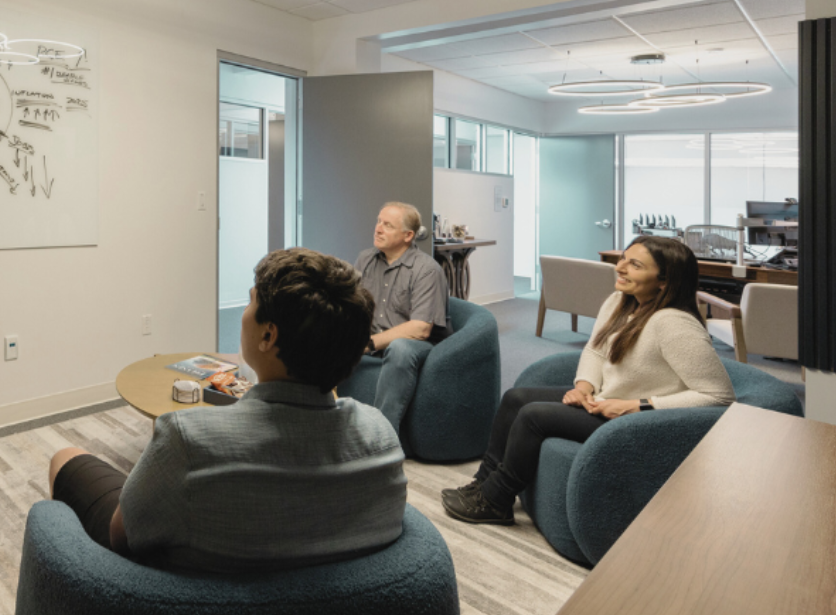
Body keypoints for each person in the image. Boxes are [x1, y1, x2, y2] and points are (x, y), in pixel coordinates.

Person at [47, 248, 408, 573]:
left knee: (65, 457)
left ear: (268, 336)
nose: (244, 312)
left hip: (188, 607)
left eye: (250, 302)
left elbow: (121, 537)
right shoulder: (382, 436)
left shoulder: (185, 439)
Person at [441, 236, 735, 526]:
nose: (620, 268)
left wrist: (636, 406)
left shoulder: (674, 324)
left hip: (642, 421)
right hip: (606, 401)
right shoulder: (620, 301)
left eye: (635, 265)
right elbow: (596, 350)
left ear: (664, 280)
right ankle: (483, 484)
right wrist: (583, 387)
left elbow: (720, 396)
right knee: (515, 398)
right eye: (623, 259)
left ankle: (496, 501)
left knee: (533, 416)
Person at [351, 202, 451, 435]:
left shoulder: (426, 269)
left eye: (388, 225)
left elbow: (420, 329)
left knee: (400, 348)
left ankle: (382, 436)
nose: (378, 229)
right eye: (379, 221)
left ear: (408, 236)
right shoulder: (365, 259)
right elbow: (352, 306)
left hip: (420, 345)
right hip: (375, 337)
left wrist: (368, 344)